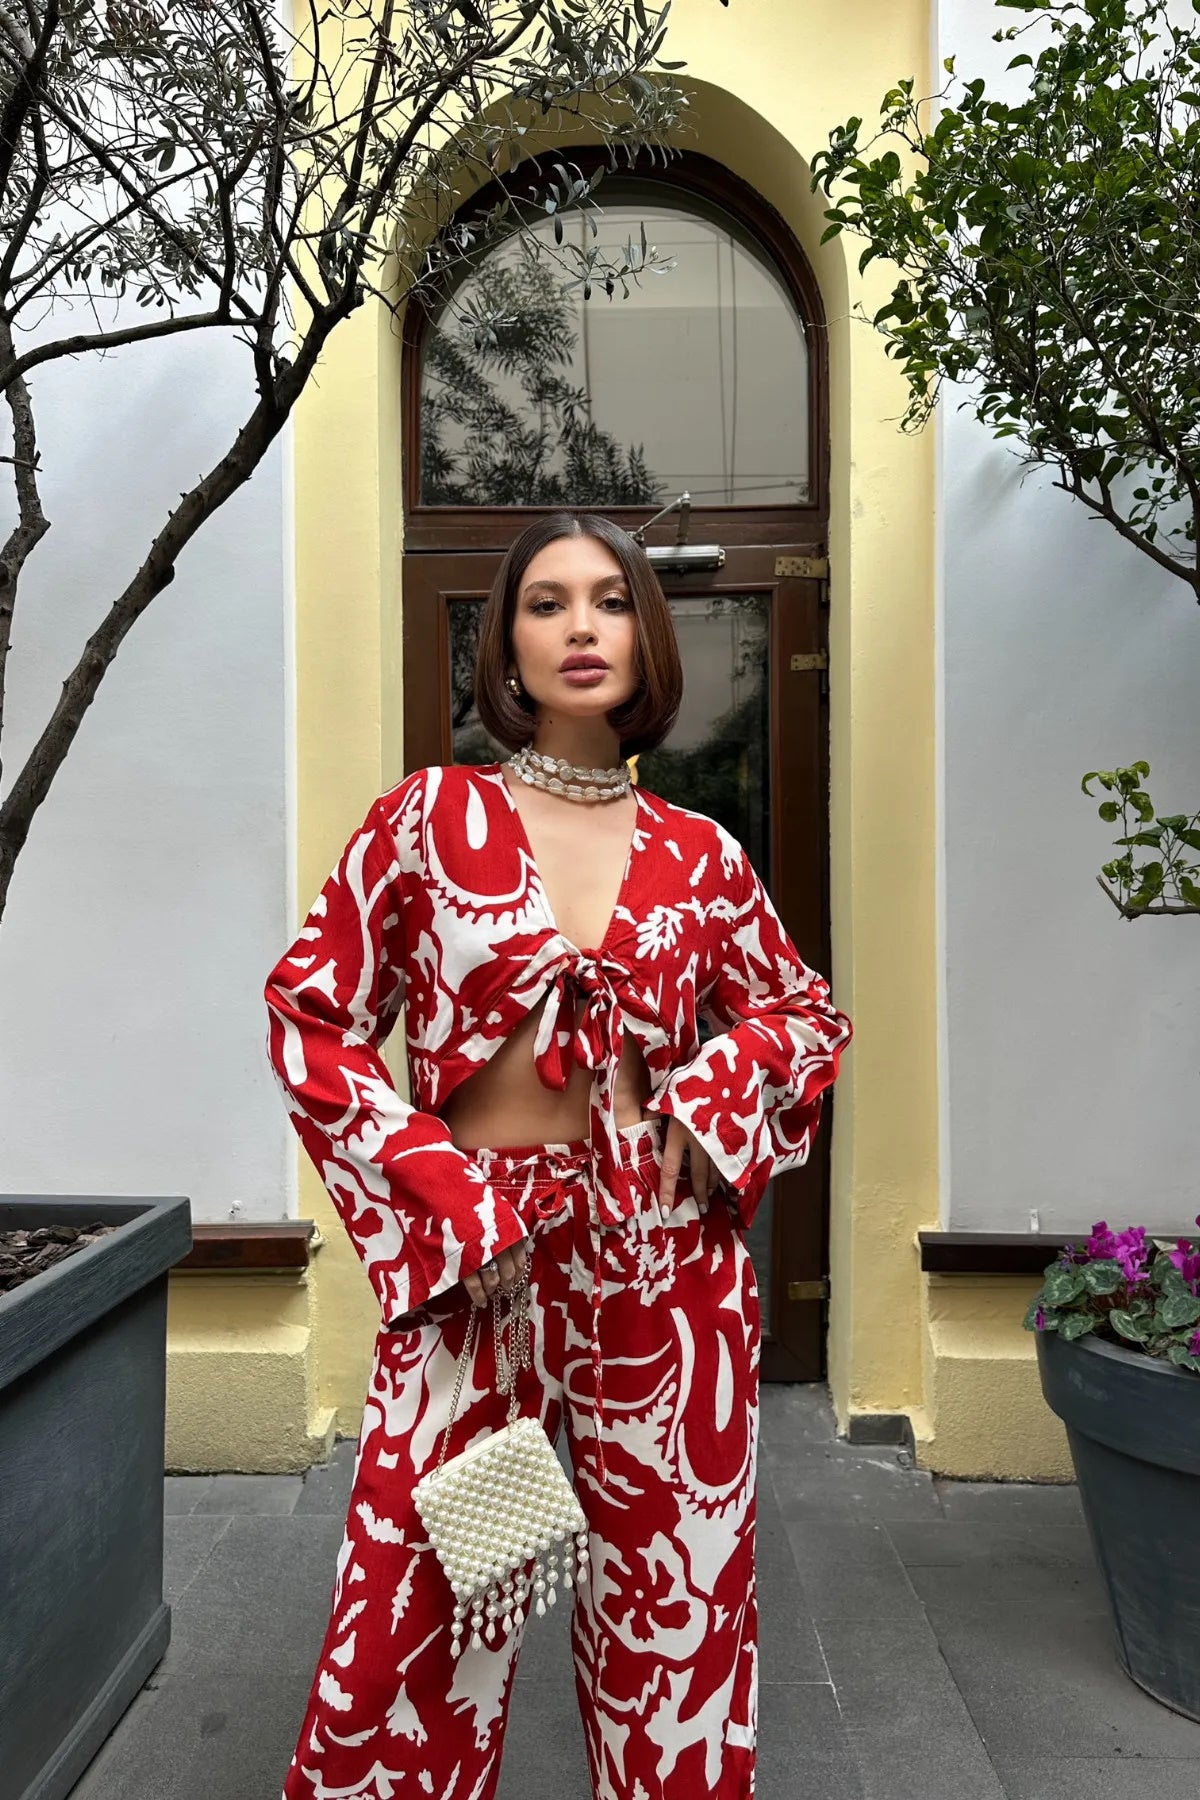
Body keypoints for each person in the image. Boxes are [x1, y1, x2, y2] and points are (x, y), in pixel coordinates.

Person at [263, 510, 852, 1800]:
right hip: (484, 1258)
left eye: (611, 600)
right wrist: (441, 1192)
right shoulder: (429, 818)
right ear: (506, 644)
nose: (582, 627)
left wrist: (715, 1093)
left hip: (667, 1263)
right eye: (546, 602)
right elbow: (313, 1017)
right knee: (416, 1600)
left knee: (678, 1610)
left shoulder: (704, 854)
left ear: (649, 637)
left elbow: (803, 1015)